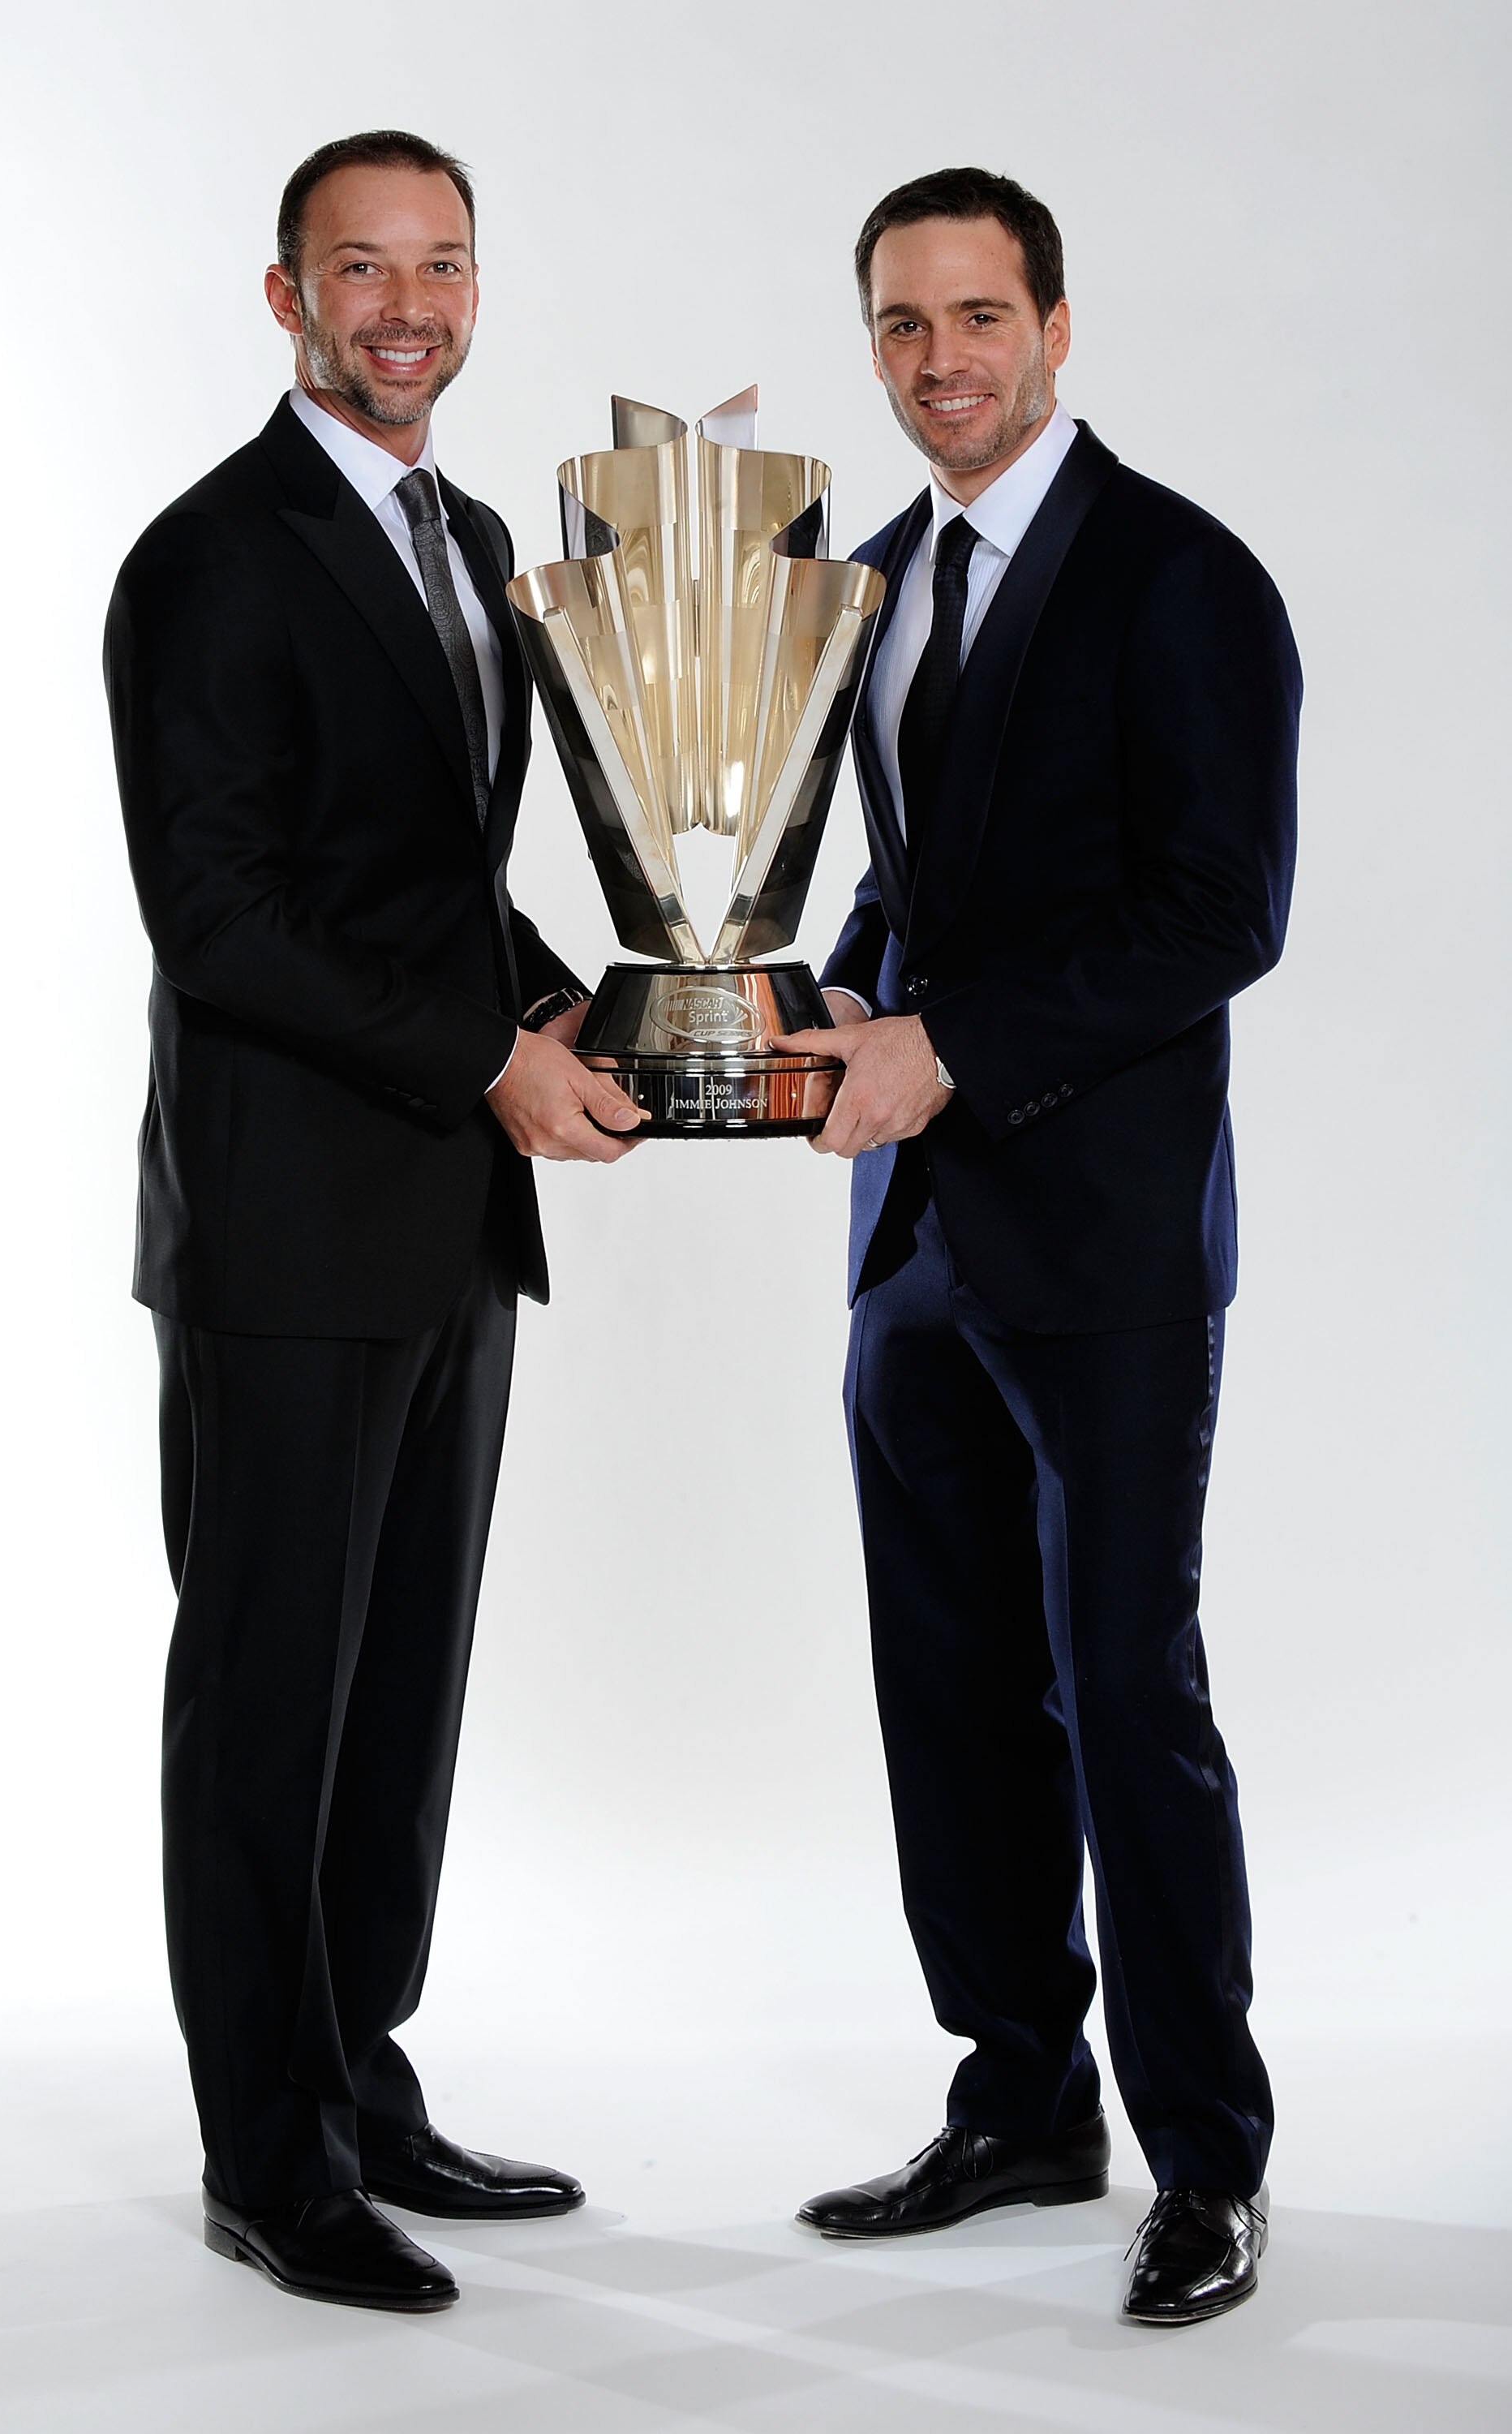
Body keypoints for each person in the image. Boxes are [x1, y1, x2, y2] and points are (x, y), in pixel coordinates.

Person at [104, 129, 644, 2314]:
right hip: (286, 1231)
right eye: (361, 270)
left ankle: (361, 2079)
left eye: (440, 268)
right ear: (287, 298)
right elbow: (220, 916)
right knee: (269, 1706)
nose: (406, 309)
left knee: (400, 1690)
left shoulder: (475, 540)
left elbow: (430, 885)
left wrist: (588, 1008)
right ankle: (269, 2158)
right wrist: (487, 1056)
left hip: (447, 1218)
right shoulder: (209, 559)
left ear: (475, 290)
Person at [775, 166, 1299, 2327]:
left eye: (980, 316)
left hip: (1104, 1243)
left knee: (1123, 1692)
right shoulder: (881, 581)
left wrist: (951, 1051)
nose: (942, 360)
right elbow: (927, 883)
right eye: (904, 324)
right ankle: (1018, 2098)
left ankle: (1208, 2165)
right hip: (913, 1245)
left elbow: (1221, 914)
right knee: (953, 1689)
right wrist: (830, 996)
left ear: (1056, 328)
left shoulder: (1183, 575)